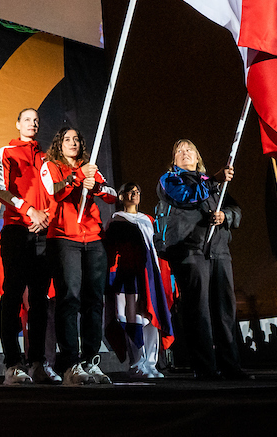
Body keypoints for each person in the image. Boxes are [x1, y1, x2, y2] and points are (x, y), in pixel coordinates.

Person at [154, 139, 248, 380]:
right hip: (189, 250)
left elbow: (235, 210)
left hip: (219, 250)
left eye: (190, 151)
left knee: (224, 309)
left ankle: (231, 366)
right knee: (199, 310)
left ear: (198, 158)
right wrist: (216, 180)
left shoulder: (213, 183)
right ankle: (205, 368)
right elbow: (184, 197)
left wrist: (224, 216)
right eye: (180, 151)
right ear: (174, 160)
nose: (185, 154)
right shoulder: (170, 180)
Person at [41, 127, 115, 385]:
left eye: (76, 139)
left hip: (93, 239)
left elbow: (111, 194)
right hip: (63, 239)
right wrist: (76, 177)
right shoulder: (51, 166)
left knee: (94, 301)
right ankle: (71, 363)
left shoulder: (89, 167)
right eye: (66, 139)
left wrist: (95, 187)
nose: (72, 143)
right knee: (69, 299)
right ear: (58, 145)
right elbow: (53, 191)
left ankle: (91, 360)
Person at [0, 107, 54, 384]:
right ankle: (12, 365)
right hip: (17, 231)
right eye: (28, 119)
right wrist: (30, 212)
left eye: (37, 120)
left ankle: (38, 362)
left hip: (44, 232)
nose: (33, 124)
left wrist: (46, 218)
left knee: (40, 299)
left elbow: (56, 193)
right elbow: (0, 189)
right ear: (18, 123)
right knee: (13, 294)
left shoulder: (47, 157)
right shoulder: (5, 151)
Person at [104, 182, 173, 379]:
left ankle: (151, 363)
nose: (134, 194)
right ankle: (137, 363)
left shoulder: (148, 220)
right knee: (133, 320)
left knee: (152, 319)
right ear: (121, 196)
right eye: (130, 191)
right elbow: (111, 254)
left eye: (137, 192)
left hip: (151, 277)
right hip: (128, 278)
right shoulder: (116, 221)